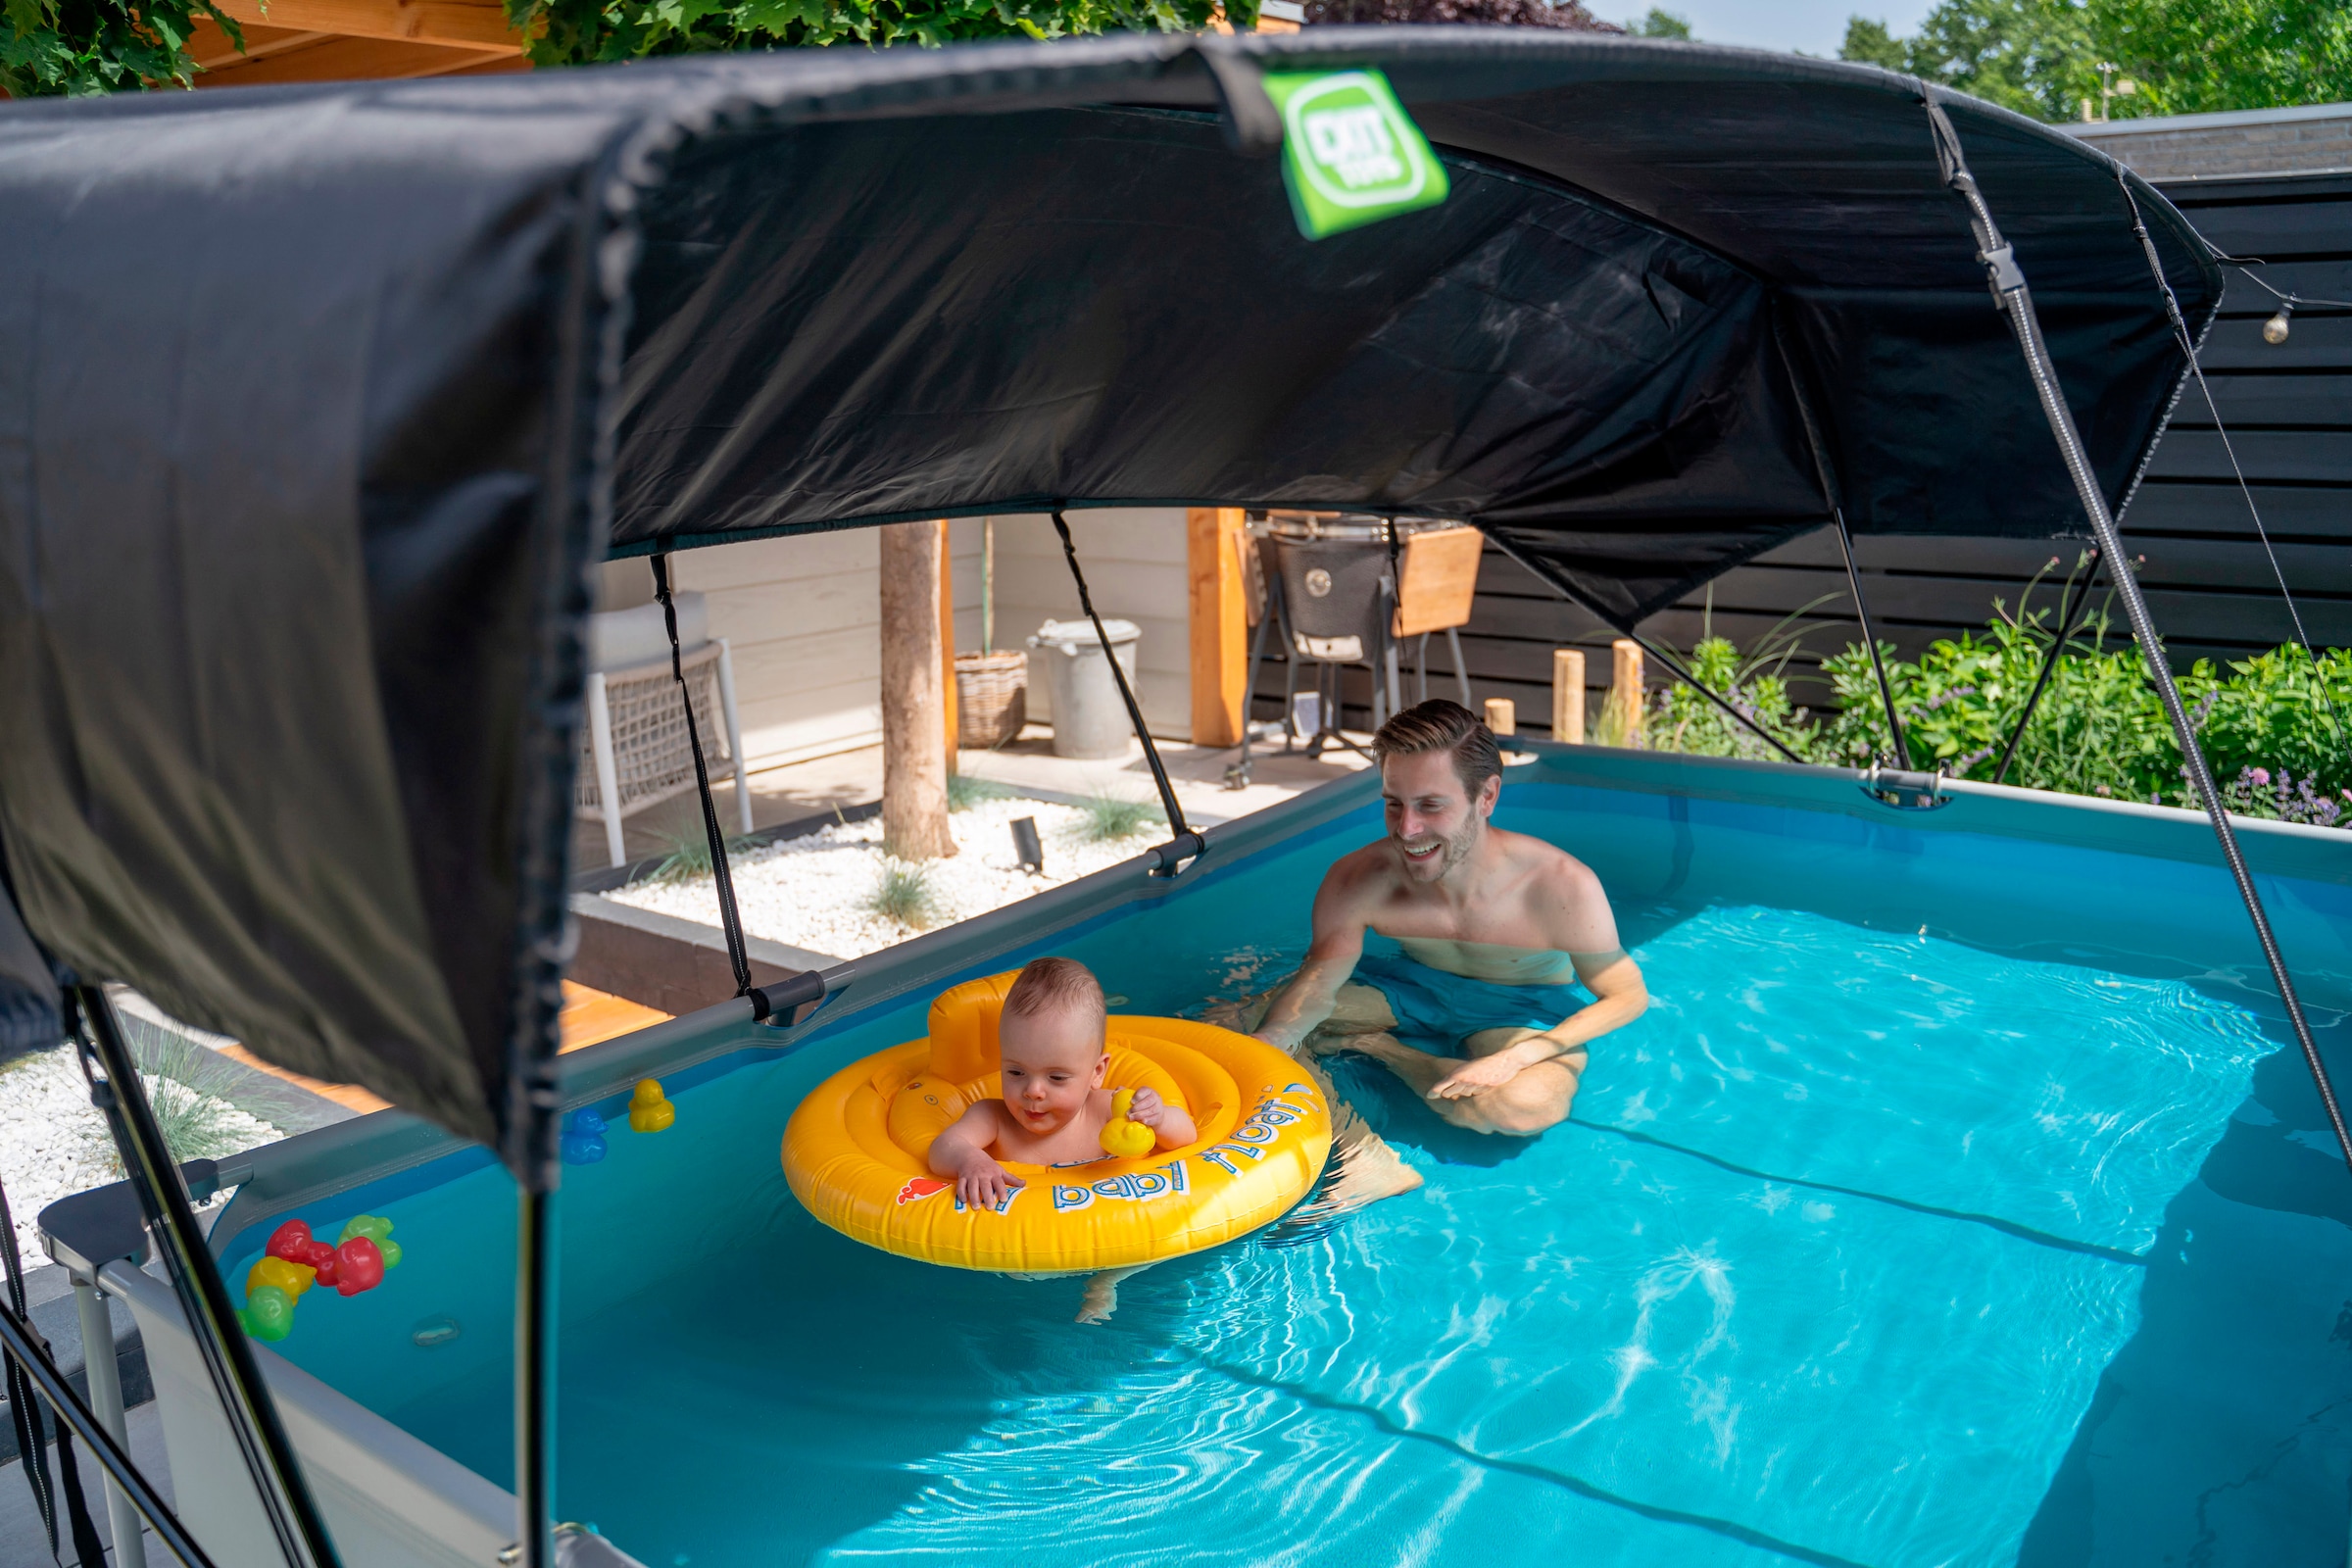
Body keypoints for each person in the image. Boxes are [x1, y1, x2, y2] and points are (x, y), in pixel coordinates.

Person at [1233, 699, 1647, 1200]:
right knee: (1251, 1028)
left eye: (1431, 805)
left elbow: (1625, 995)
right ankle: (1362, 1158)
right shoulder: (1359, 878)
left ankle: (1380, 1049)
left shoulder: (1559, 886)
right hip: (1412, 988)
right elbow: (1320, 980)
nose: (1406, 830)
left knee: (1524, 1108)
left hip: (1521, 1006)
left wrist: (1521, 1057)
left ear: (1487, 795)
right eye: (1393, 803)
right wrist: (1279, 1034)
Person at [925, 956, 1196, 1322]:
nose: (1033, 1091)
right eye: (1016, 1071)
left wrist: (1159, 1117)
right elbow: (943, 1148)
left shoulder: (1110, 1109)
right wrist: (971, 1160)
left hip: (1112, 1239)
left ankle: (1106, 1283)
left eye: (1056, 1078)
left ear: (1096, 1072)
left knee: (1153, 1246)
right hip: (1021, 1251)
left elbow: (1186, 1137)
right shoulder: (993, 1117)